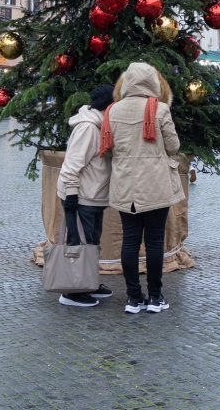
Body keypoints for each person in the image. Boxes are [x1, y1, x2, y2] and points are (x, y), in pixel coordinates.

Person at [100, 62, 184, 315]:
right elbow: (173, 146)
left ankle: (133, 298)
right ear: (153, 82)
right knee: (155, 242)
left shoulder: (112, 110)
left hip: (125, 185)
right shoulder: (159, 109)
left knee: (130, 240)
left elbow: (109, 149)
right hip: (156, 184)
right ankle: (156, 297)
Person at [56, 84, 114, 309]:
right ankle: (72, 291)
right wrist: (71, 196)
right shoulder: (89, 128)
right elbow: (72, 165)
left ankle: (87, 283)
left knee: (91, 243)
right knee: (79, 244)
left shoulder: (101, 126)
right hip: (81, 196)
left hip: (93, 195)